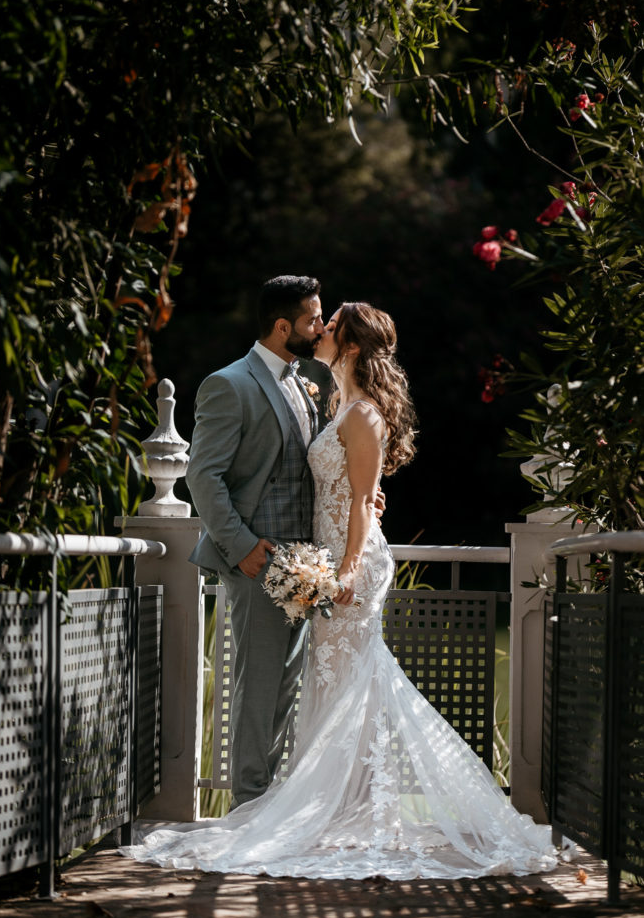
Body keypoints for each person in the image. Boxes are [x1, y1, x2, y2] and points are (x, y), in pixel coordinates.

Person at [122, 302, 565, 880]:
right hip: (328, 558)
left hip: (351, 565)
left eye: (330, 328)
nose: (320, 332)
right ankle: (343, 808)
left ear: (351, 346)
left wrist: (352, 565)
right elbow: (354, 487)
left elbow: (359, 499)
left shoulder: (363, 414)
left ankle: (350, 810)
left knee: (350, 678)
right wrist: (346, 536)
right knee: (337, 683)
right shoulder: (333, 402)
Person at [185, 275, 324, 808]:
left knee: (285, 692)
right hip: (256, 561)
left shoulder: (304, 381)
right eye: (313, 319)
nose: (320, 326)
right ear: (283, 326)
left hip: (305, 563)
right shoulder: (229, 383)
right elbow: (203, 476)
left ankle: (266, 808)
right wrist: (242, 546)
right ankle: (247, 808)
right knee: (258, 688)